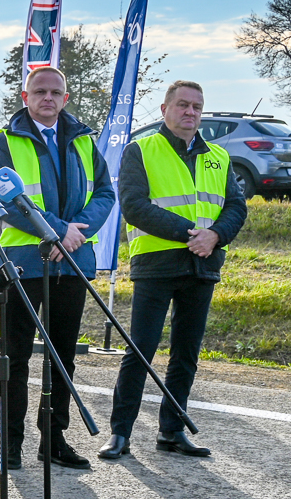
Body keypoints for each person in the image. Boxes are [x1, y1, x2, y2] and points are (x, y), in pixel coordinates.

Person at [99, 80, 246, 460]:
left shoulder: (218, 156)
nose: (190, 112)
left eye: (197, 106)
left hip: (203, 265)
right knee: (141, 350)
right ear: (164, 109)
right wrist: (190, 235)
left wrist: (214, 236)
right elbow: (134, 206)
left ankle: (172, 430)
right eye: (182, 105)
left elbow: (236, 207)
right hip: (156, 265)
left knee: (186, 353)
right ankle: (120, 433)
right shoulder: (140, 150)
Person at [0, 66, 115, 470]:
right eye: (39, 91)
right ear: (25, 97)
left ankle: (54, 441)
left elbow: (105, 193)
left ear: (66, 98)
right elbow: (5, 200)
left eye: (55, 92)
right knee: (16, 357)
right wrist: (59, 231)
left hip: (71, 266)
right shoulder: (3, 142)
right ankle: (11, 443)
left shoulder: (83, 141)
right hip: (23, 265)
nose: (47, 98)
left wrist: (76, 234)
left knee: (62, 358)